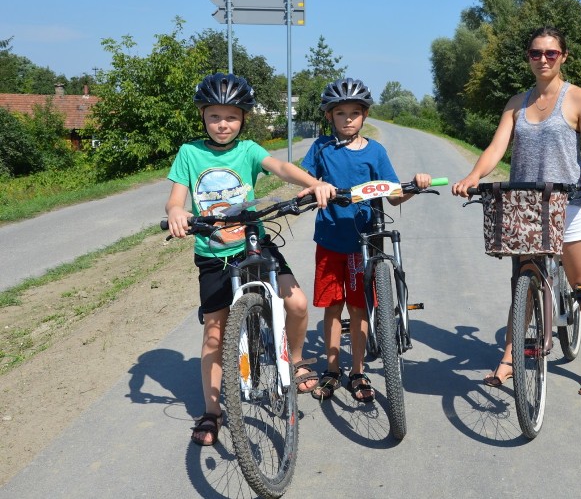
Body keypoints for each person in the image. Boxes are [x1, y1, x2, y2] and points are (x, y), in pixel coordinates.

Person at [165, 73, 336, 446]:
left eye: (231, 117)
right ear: (203, 117)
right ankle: (211, 412)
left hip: (252, 243)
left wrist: (312, 182)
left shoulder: (249, 151)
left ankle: (295, 360)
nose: (223, 124)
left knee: (298, 303)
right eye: (214, 117)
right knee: (214, 336)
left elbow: (280, 168)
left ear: (243, 118)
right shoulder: (190, 153)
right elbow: (176, 197)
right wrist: (177, 212)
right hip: (213, 254)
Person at [452, 26, 581, 397]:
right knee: (524, 283)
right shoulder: (516, 103)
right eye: (536, 53)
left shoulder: (579, 99)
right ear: (528, 57)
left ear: (563, 57)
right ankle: (510, 356)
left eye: (551, 53)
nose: (543, 59)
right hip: (526, 206)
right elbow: (496, 149)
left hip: (570, 203)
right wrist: (473, 176)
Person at [302, 77, 431, 403]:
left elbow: (394, 196)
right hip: (330, 239)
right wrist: (310, 189)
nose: (348, 118)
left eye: (354, 113)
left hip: (366, 241)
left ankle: (357, 371)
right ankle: (332, 370)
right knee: (333, 308)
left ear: (364, 116)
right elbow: (304, 182)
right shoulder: (320, 147)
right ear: (329, 115)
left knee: (359, 308)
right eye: (340, 112)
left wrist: (415, 185)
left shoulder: (375, 151)